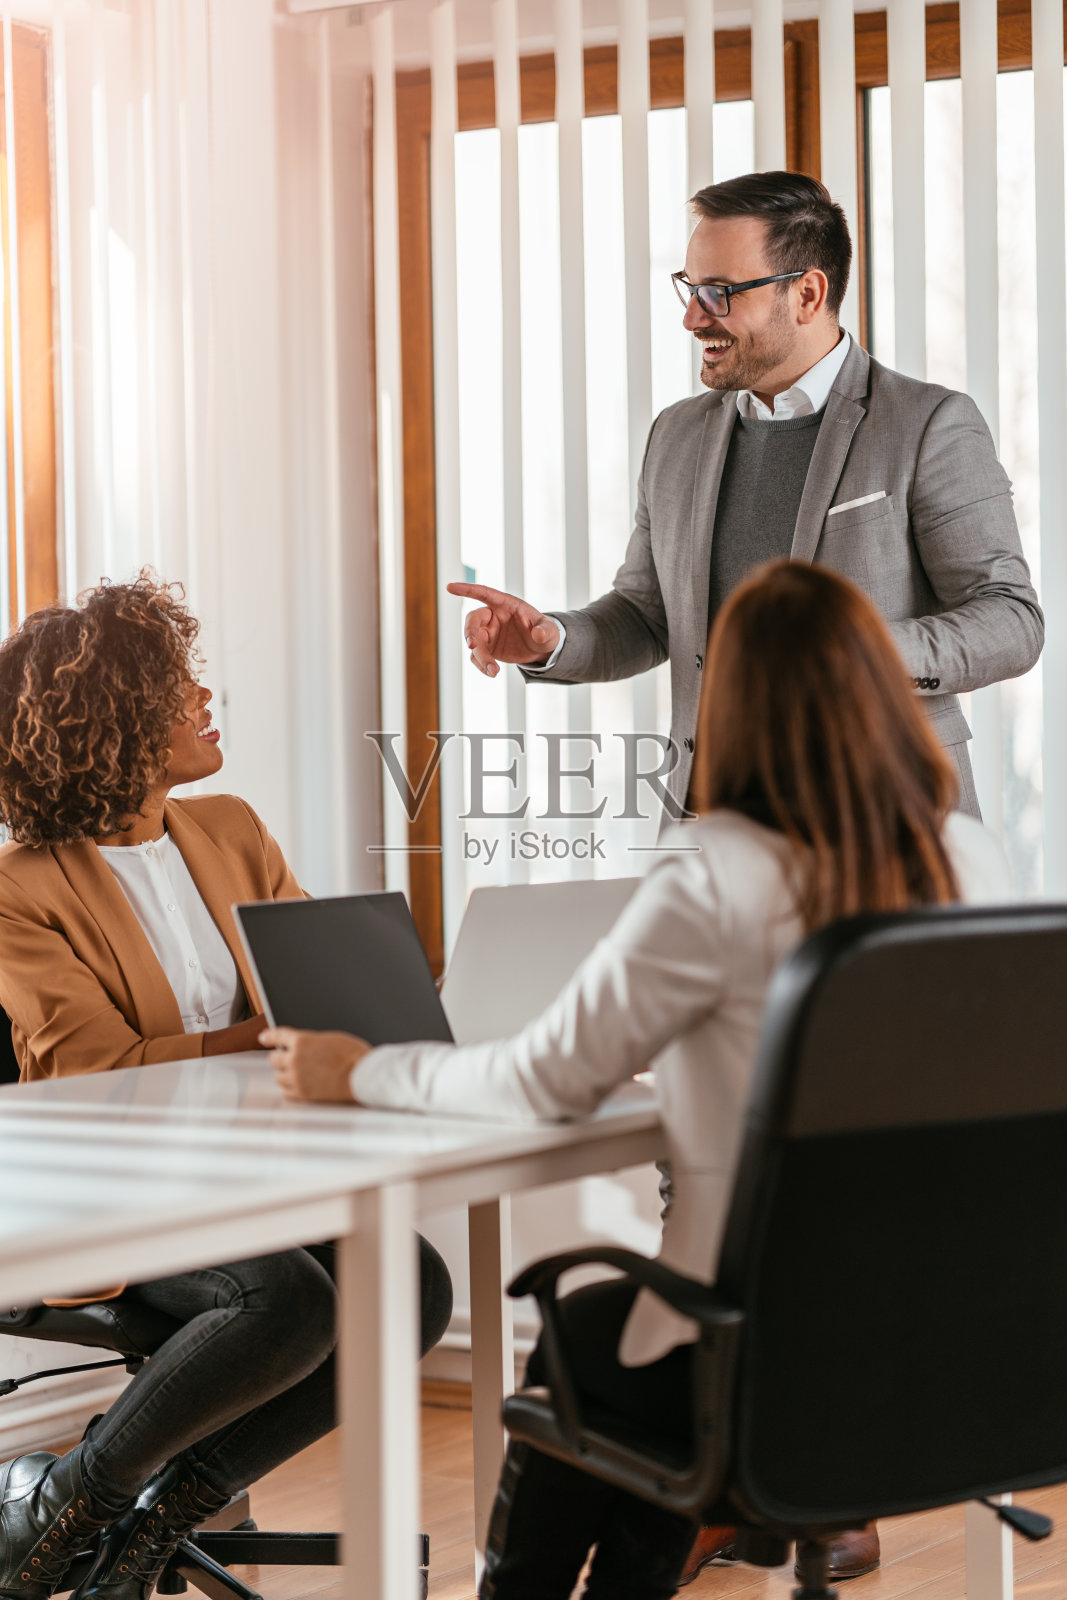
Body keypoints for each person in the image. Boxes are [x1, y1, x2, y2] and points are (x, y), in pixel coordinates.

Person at [264, 561, 1011, 1600]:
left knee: (587, 1344)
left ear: (729, 709)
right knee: (623, 1370)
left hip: (771, 1363)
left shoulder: (711, 871)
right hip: (962, 1353)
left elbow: (539, 1083)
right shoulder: (969, 859)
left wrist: (362, 1070)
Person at [0, 575, 452, 1600]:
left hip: (242, 1171)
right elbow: (97, 1073)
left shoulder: (232, 829)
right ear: (114, 719)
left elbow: (313, 981)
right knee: (285, 1300)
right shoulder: (20, 887)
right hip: (106, 1185)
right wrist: (272, 1037)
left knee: (409, 1282)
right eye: (179, 687)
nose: (206, 699)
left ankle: (151, 1519)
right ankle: (67, 1506)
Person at [449, 170, 1043, 829]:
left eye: (720, 293)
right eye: (689, 289)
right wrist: (549, 640)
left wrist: (860, 651)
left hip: (882, 828)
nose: (691, 317)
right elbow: (647, 617)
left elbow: (1011, 621)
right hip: (714, 828)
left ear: (807, 294)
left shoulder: (927, 424)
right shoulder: (676, 435)